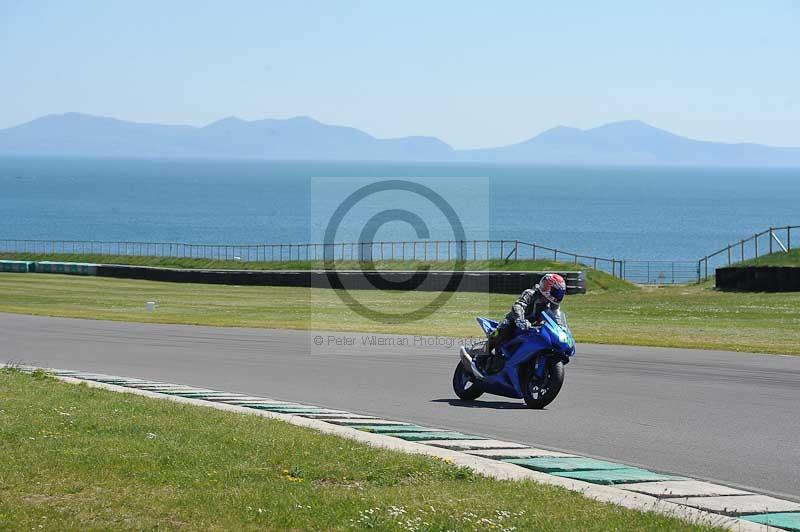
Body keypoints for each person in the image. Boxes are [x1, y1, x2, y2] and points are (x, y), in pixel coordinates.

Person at [484, 273, 567, 356]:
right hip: (515, 322)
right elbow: (518, 305)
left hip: (534, 328)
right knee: (504, 330)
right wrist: (520, 319)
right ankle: (483, 353)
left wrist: (562, 329)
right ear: (547, 287)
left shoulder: (553, 304)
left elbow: (557, 316)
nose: (557, 295)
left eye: (559, 293)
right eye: (555, 292)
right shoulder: (530, 294)